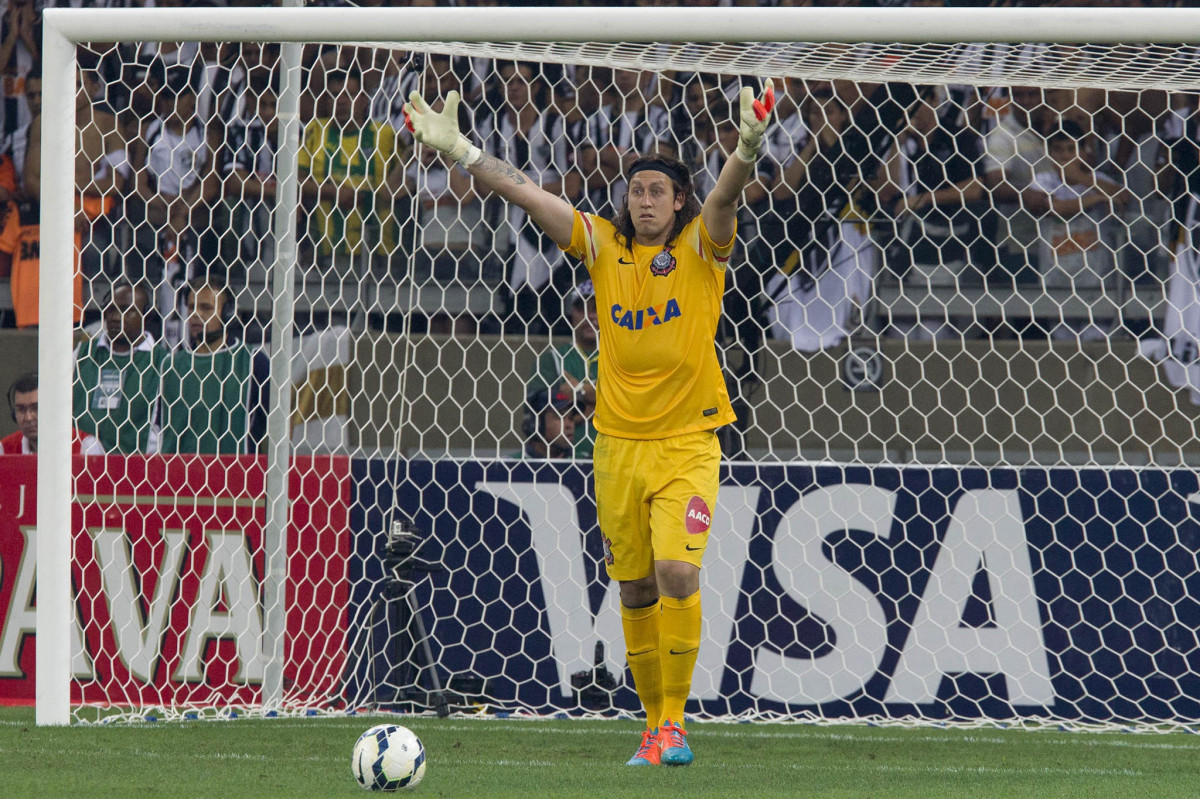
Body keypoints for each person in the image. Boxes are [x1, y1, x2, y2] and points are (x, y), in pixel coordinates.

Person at [404, 73, 775, 766]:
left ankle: (674, 722)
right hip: (615, 448)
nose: (645, 199)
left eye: (658, 191)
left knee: (677, 572)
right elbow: (526, 192)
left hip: (690, 444)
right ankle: (654, 725)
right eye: (637, 190)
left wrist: (746, 147)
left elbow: (725, 198)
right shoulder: (603, 246)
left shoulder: (700, 248)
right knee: (633, 586)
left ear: (678, 201)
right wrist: (462, 151)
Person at [158, 277, 270, 455]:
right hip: (178, 478)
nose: (195, 314)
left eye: (206, 308)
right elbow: (157, 430)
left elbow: (281, 424)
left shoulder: (252, 361)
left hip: (236, 478)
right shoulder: (171, 366)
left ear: (228, 312)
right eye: (191, 306)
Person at [73, 280, 167, 454]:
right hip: (79, 467)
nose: (115, 317)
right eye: (111, 309)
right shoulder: (81, 354)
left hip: (137, 469)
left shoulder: (163, 363)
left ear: (146, 315)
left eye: (125, 310)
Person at [525, 280, 599, 459]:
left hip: (615, 457)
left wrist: (579, 394)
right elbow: (540, 413)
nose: (589, 316)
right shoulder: (552, 360)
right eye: (581, 309)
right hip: (564, 461)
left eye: (596, 308)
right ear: (571, 313)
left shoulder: (621, 359)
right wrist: (601, 404)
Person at [3, 372, 104, 456]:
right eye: (21, 409)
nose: (29, 417)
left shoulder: (86, 446)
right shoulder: (4, 449)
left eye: (37, 408)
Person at [517, 387, 581, 460]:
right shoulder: (511, 466)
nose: (569, 425)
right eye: (559, 416)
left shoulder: (585, 465)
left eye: (571, 418)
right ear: (536, 423)